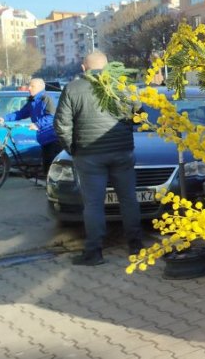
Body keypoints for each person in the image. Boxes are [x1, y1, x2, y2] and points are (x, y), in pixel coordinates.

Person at [54, 51, 143, 266]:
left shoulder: (73, 88)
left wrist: (72, 148)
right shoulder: (122, 86)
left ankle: (94, 253)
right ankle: (136, 247)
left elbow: (62, 125)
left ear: (84, 68)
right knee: (129, 200)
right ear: (108, 66)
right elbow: (139, 116)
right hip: (122, 152)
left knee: (93, 205)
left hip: (89, 155)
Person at [0, 77, 62, 177]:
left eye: (32, 86)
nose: (29, 88)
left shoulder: (46, 98)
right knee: (46, 165)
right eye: (29, 85)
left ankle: (51, 187)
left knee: (50, 166)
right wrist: (4, 118)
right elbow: (21, 113)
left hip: (52, 137)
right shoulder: (33, 100)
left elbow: (52, 116)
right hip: (44, 138)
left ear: (40, 87)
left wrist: (37, 124)